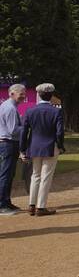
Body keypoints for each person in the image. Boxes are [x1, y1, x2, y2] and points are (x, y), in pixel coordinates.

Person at [20, 83, 65, 216]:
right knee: (46, 176)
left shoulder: (30, 111)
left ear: (39, 95)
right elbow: (59, 132)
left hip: (34, 146)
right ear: (51, 95)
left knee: (35, 175)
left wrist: (23, 149)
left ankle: (31, 204)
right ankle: (41, 206)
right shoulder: (56, 111)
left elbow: (24, 132)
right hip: (51, 146)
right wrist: (61, 146)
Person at [0, 83, 27, 216]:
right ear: (12, 93)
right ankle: (2, 205)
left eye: (24, 93)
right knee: (6, 175)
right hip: (8, 143)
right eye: (21, 93)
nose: (24, 96)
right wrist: (27, 126)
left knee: (9, 174)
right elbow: (13, 131)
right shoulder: (10, 108)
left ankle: (6, 201)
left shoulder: (8, 106)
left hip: (8, 143)